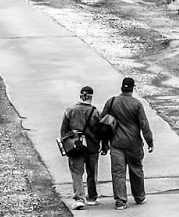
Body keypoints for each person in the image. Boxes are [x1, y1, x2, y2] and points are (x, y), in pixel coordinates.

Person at [103, 76, 154, 209]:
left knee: (118, 173)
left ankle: (120, 201)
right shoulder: (136, 104)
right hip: (134, 144)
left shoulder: (112, 102)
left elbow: (102, 123)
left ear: (121, 88)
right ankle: (139, 197)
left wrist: (104, 143)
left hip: (116, 144)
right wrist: (150, 141)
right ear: (132, 89)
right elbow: (144, 124)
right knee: (136, 170)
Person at [59, 85, 105, 207]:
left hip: (75, 147)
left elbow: (63, 130)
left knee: (77, 172)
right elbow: (102, 131)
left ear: (80, 95)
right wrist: (104, 145)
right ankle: (92, 197)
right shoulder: (96, 112)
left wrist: (67, 145)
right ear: (91, 97)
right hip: (92, 147)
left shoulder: (70, 110)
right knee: (92, 172)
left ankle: (79, 198)